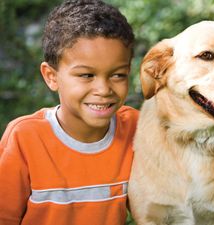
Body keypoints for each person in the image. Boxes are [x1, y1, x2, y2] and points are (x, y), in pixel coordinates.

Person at [0, 0, 138, 225]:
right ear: (51, 76)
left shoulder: (135, 128)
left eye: (118, 75)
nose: (103, 90)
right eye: (86, 75)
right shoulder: (24, 138)